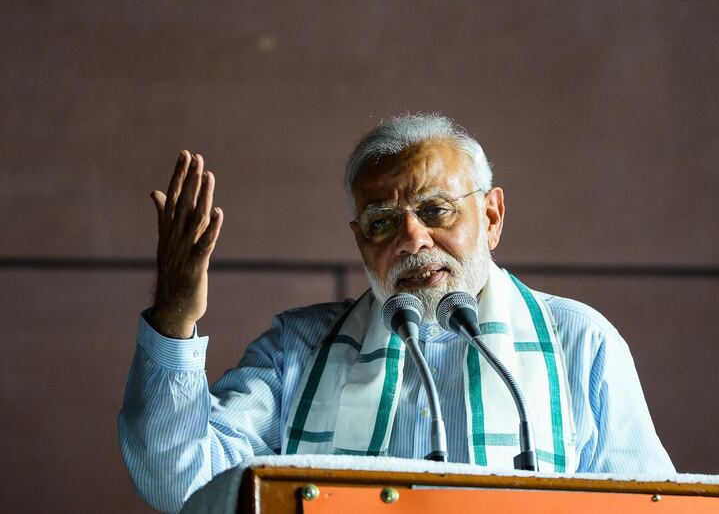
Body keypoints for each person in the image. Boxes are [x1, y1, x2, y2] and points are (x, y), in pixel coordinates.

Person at [119, 114, 675, 513]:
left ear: (492, 214)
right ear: (359, 240)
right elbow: (180, 482)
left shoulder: (577, 341)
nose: (413, 240)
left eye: (436, 210)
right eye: (382, 222)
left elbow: (653, 508)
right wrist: (173, 319)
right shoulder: (300, 347)